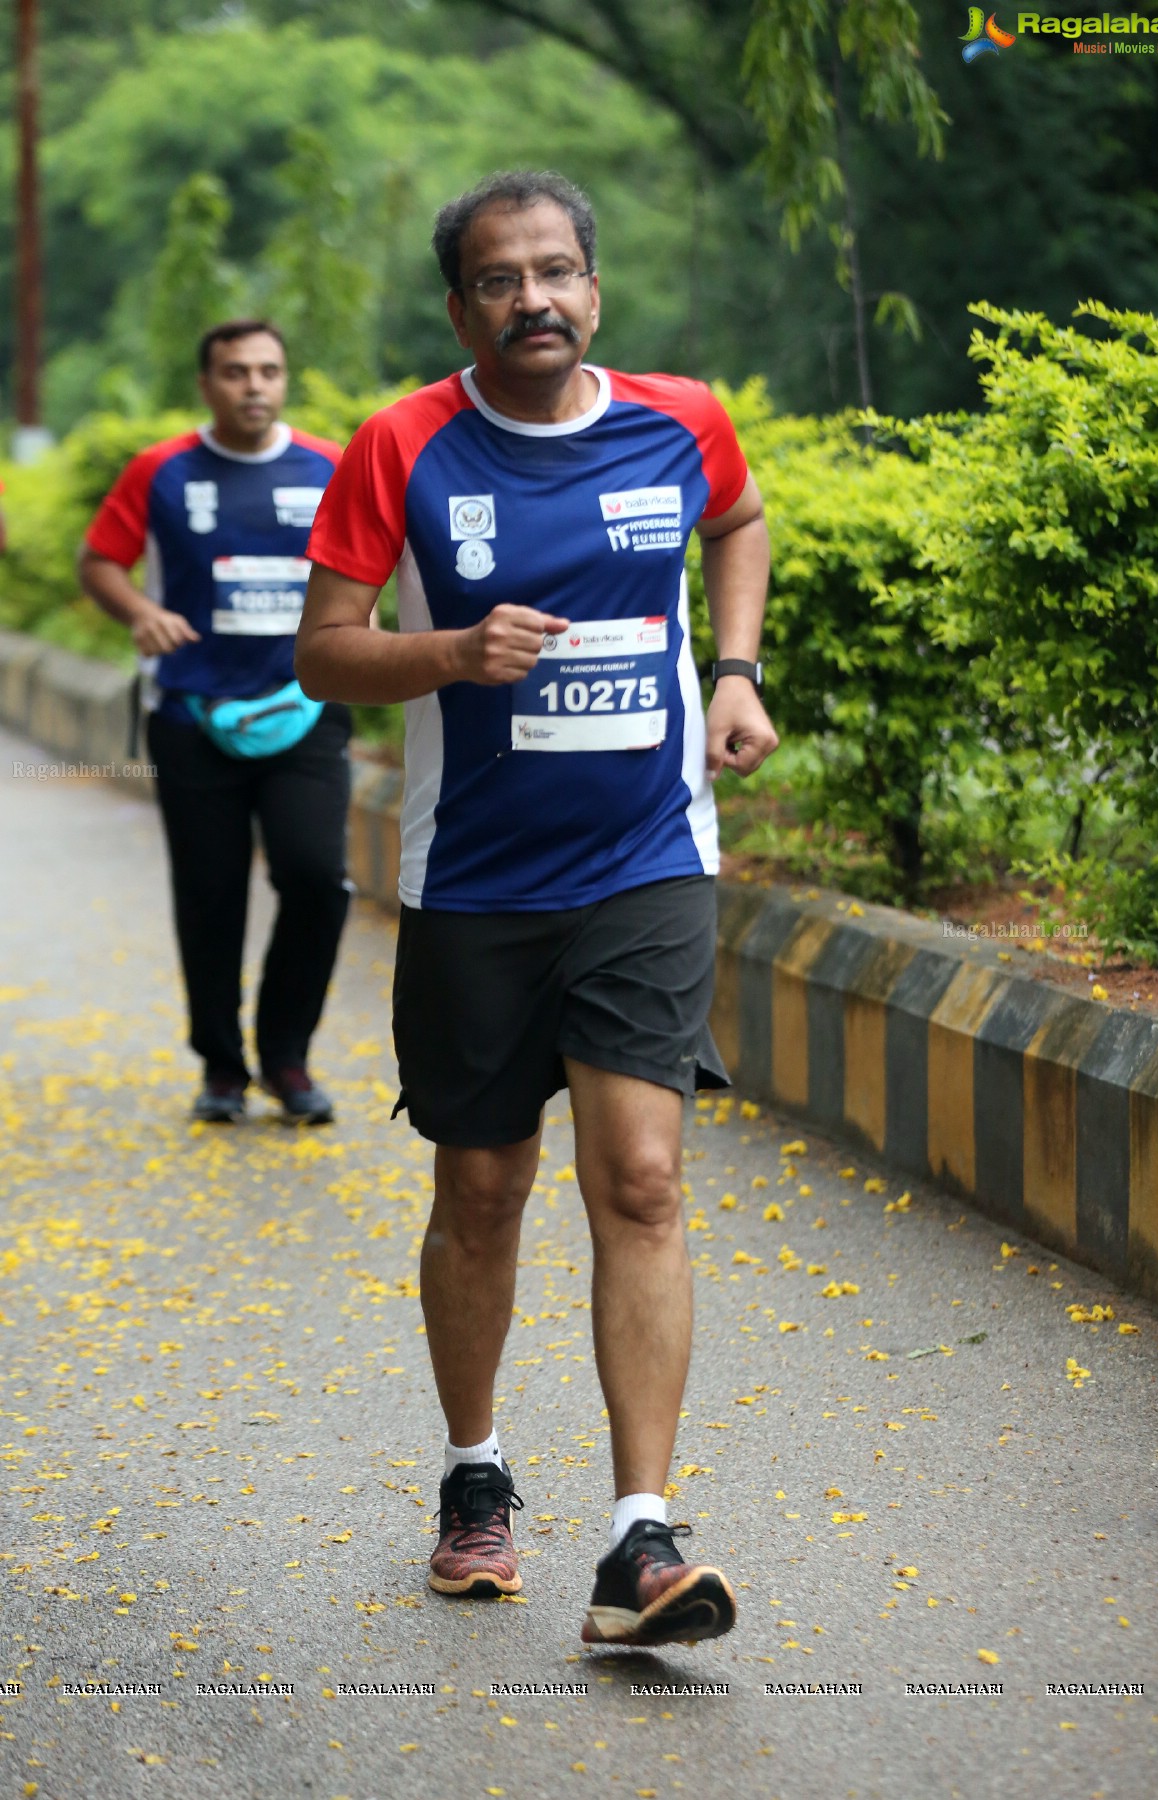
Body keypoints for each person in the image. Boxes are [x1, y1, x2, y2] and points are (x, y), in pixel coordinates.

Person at [296, 171, 777, 1646]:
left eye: (557, 272)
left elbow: (742, 520)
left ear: (594, 289)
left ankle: (642, 1537)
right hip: (476, 882)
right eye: (501, 281)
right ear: (463, 309)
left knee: (641, 1179)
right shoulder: (402, 445)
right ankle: (474, 1474)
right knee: (484, 1191)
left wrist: (742, 670)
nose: (535, 301)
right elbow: (324, 655)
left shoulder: (681, 418)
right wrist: (450, 652)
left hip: (645, 859)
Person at [79, 320, 351, 1125]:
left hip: (305, 710)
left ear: (285, 378)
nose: (254, 386)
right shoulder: (161, 470)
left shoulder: (330, 465)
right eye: (235, 372)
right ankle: (223, 1068)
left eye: (269, 370)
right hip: (193, 717)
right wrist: (139, 611)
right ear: (207, 384)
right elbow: (98, 561)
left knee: (313, 878)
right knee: (209, 895)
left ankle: (289, 1057)